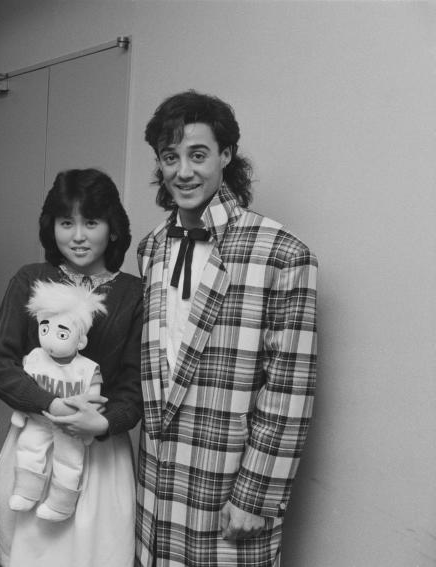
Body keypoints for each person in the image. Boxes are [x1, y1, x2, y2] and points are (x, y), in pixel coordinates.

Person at [135, 90, 318, 567]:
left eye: (198, 155)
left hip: (229, 482)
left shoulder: (281, 253)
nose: (184, 171)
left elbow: (290, 389)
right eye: (170, 157)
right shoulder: (151, 246)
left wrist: (256, 494)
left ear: (226, 155)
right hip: (156, 483)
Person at [0, 168, 142, 567]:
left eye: (91, 222)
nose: (77, 235)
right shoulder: (31, 280)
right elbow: (1, 364)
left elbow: (135, 383)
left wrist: (105, 423)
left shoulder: (133, 293)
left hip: (102, 454)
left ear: (112, 229)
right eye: (66, 222)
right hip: (32, 449)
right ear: (51, 227)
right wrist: (51, 406)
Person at [6, 280, 107, 522]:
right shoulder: (35, 357)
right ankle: (26, 492)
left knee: (70, 461)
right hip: (37, 419)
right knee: (29, 448)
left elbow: (94, 397)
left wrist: (89, 423)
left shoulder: (87, 368)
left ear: (80, 341)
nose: (50, 339)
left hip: (71, 426)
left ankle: (61, 505)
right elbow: (24, 386)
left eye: (61, 333)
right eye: (44, 330)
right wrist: (21, 412)